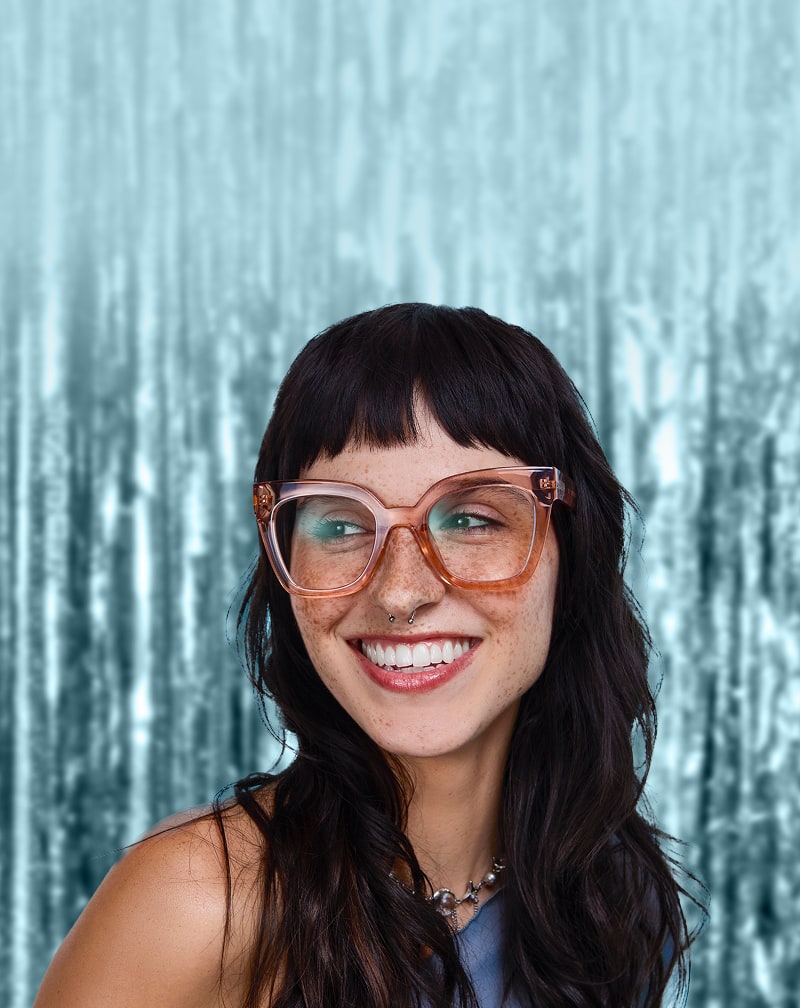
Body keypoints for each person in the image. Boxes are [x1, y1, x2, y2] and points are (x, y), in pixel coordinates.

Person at [35, 303, 700, 1007]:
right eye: (343, 523)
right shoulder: (196, 905)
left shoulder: (613, 896)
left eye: (473, 519)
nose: (401, 591)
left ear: (575, 553)